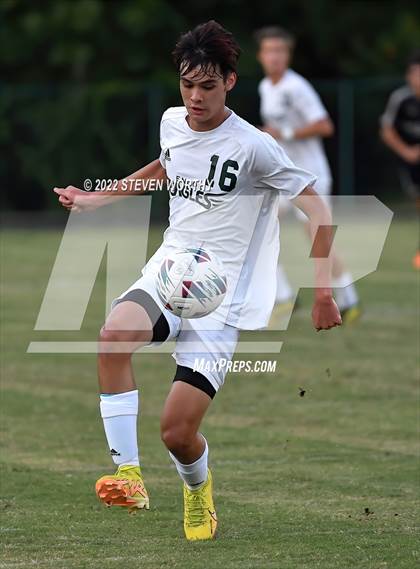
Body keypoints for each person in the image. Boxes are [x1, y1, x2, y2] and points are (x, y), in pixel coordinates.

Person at [53, 20, 341, 542]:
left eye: (207, 85)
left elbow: (318, 209)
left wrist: (322, 292)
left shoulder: (255, 146)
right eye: (187, 84)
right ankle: (129, 477)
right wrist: (97, 198)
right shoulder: (172, 122)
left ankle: (197, 489)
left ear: (230, 81)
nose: (195, 97)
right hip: (170, 272)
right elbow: (166, 168)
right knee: (112, 337)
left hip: (220, 301)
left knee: (177, 434)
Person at [254, 26, 361, 323]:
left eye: (280, 50)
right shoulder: (265, 87)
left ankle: (350, 300)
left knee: (318, 242)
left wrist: (284, 133)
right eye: (269, 50)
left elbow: (325, 125)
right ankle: (283, 297)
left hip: (311, 176)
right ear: (260, 56)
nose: (274, 56)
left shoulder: (297, 87)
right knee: (258, 228)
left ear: (288, 55)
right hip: (284, 176)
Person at [380, 50, 420, 269]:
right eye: (415, 73)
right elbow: (387, 130)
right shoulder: (401, 99)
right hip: (412, 163)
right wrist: (406, 151)